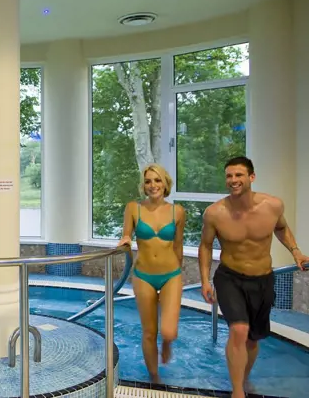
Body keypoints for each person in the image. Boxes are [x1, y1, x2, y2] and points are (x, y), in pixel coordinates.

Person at [198, 156, 309, 398]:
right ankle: (238, 391)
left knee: (253, 339)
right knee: (238, 329)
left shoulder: (272, 206)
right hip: (229, 278)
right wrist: (205, 280)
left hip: (263, 279)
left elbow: (281, 228)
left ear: (251, 177)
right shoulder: (215, 213)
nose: (233, 180)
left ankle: (243, 379)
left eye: (238, 175)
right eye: (229, 176)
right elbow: (205, 245)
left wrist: (296, 251)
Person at [118, 163, 186, 383]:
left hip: (170, 274)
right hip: (143, 275)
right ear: (143, 185)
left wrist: (179, 273)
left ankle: (167, 343)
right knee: (149, 332)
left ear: (165, 184)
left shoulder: (178, 211)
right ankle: (154, 378)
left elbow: (178, 246)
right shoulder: (133, 208)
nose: (152, 185)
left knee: (168, 331)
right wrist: (126, 240)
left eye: (157, 180)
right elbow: (126, 235)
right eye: (148, 181)